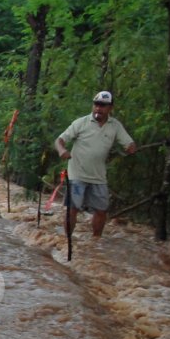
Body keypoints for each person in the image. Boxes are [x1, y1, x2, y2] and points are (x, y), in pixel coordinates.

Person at [55, 90, 137, 239]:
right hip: (77, 174)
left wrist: (130, 147)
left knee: (101, 210)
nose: (99, 108)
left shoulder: (115, 126)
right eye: (96, 104)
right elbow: (60, 140)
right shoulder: (81, 122)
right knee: (72, 208)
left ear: (110, 108)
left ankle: (95, 241)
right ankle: (66, 241)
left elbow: (129, 143)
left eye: (103, 106)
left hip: (98, 177)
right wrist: (62, 150)